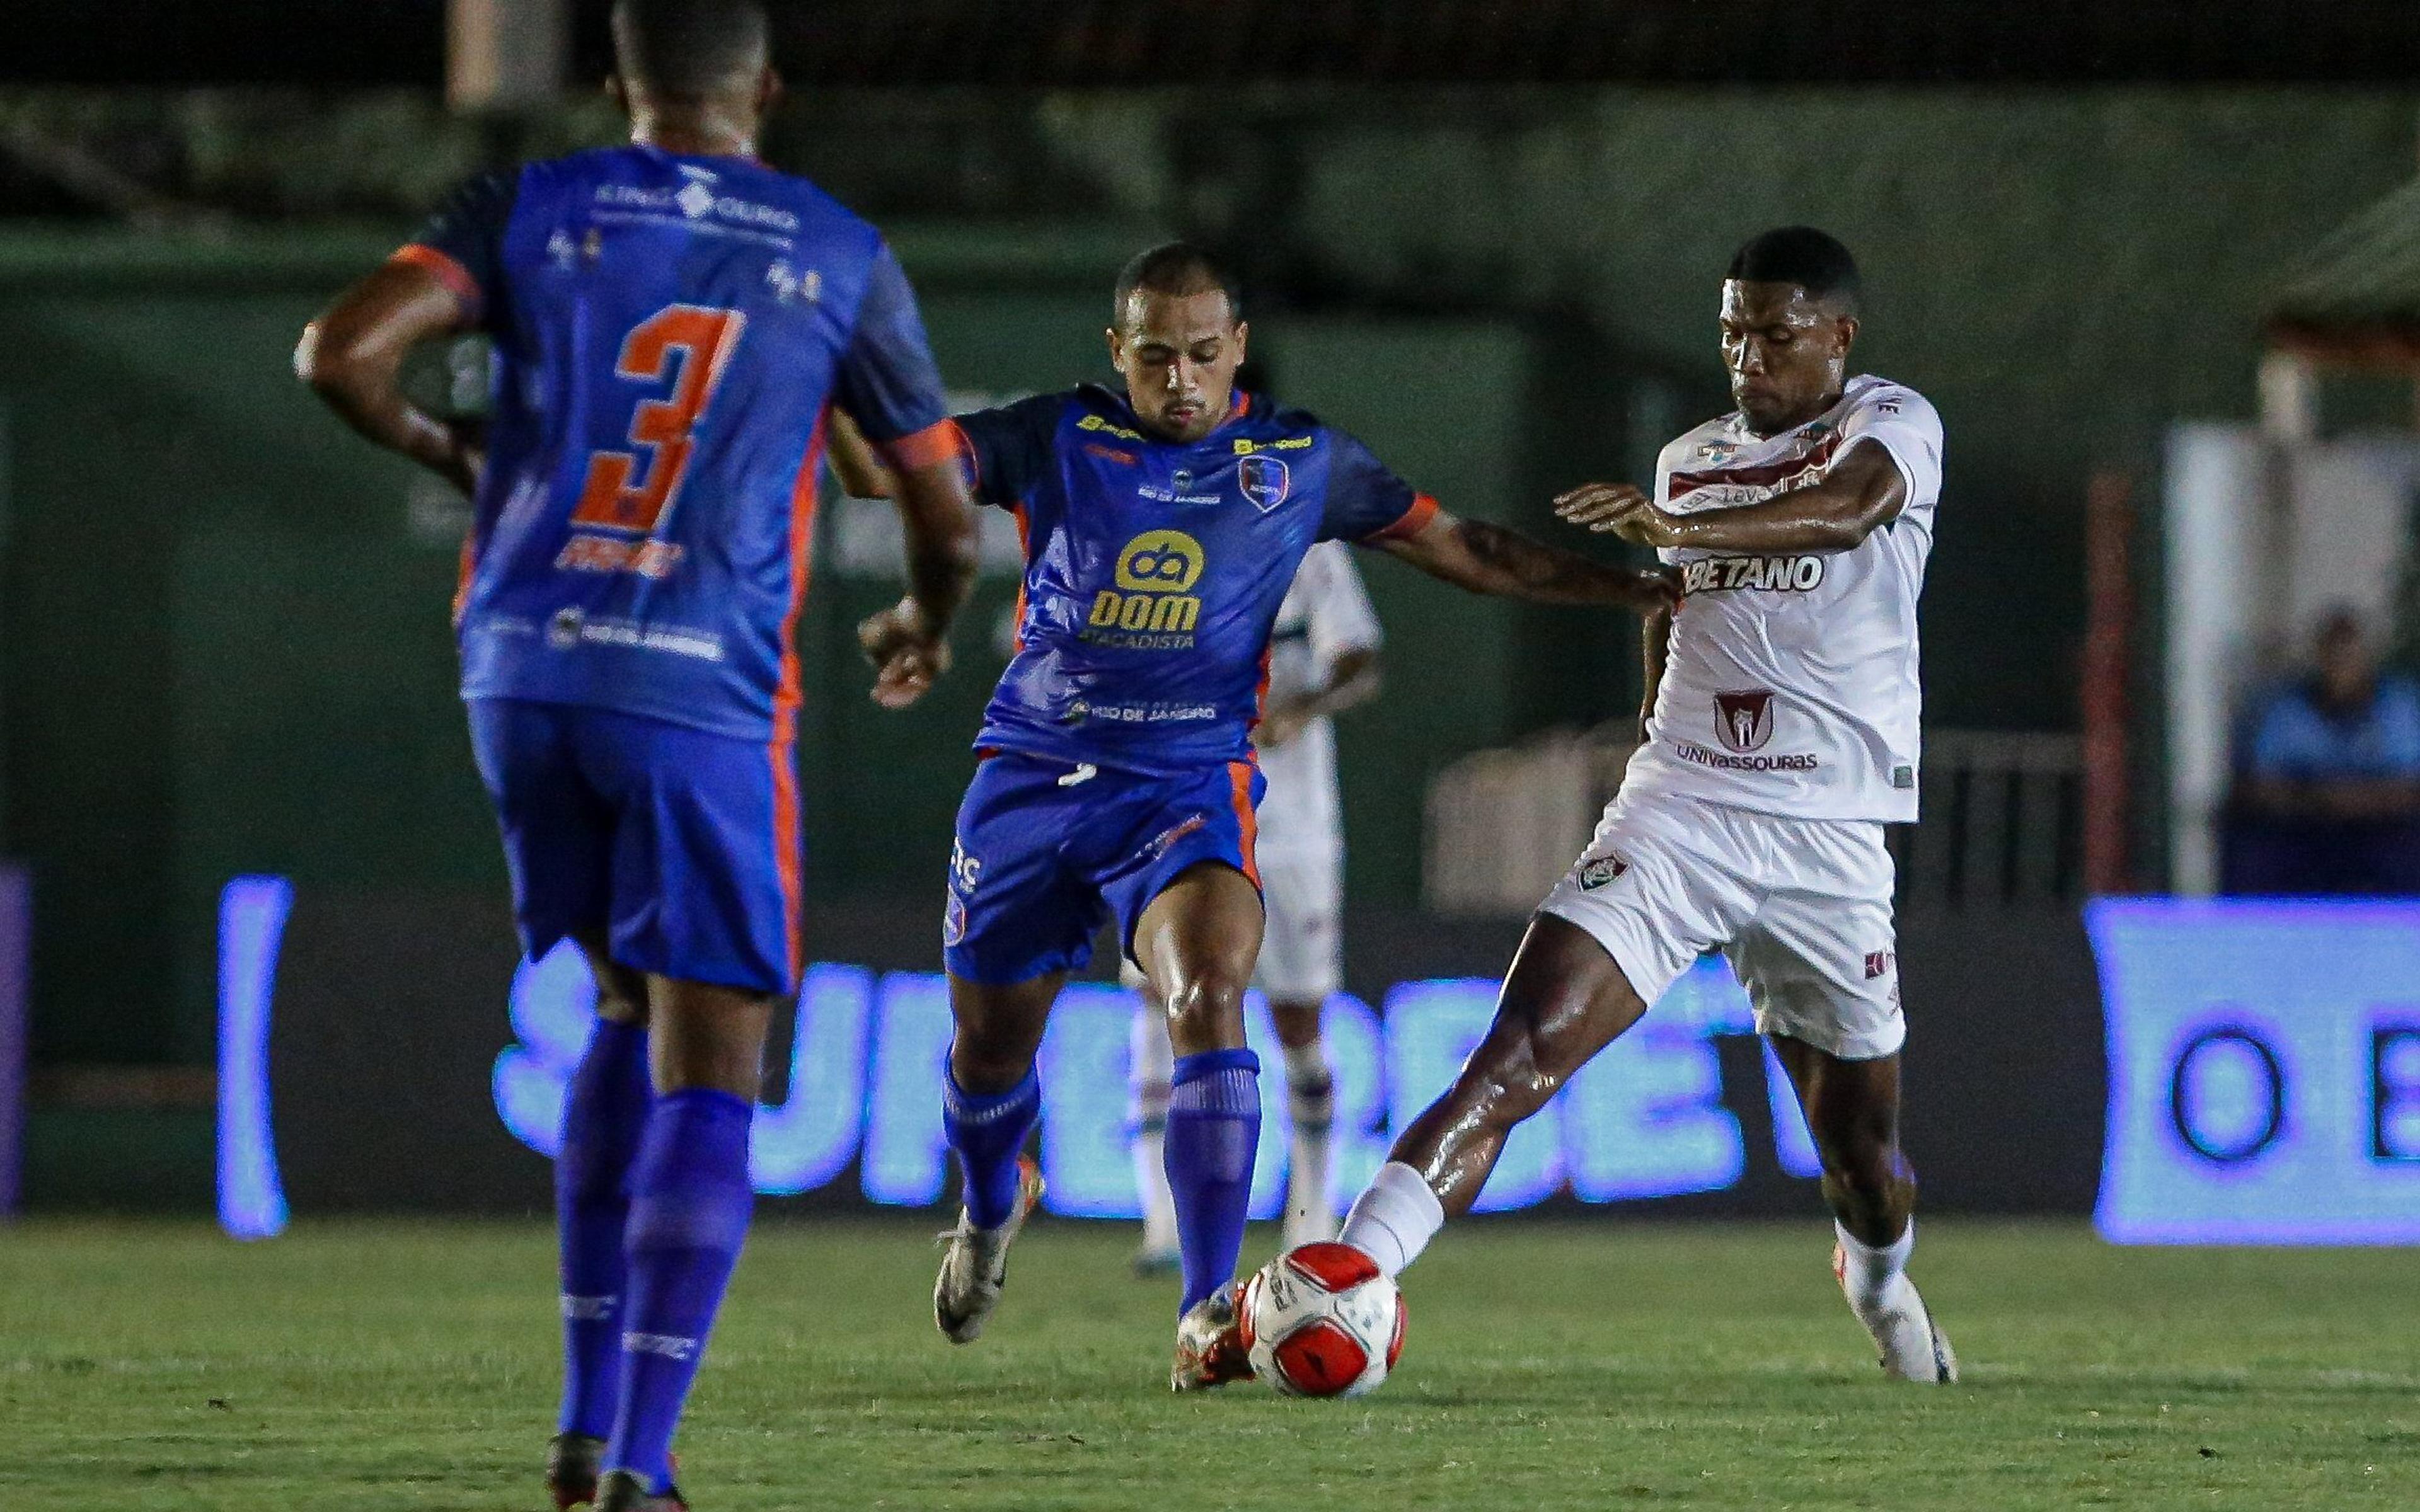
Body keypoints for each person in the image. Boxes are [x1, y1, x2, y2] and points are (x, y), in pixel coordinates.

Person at [294, 3, 980, 1506]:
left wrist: (452, 456)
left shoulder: (529, 207)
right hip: (699, 684)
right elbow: (937, 509)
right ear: (768, 90)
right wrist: (927, 617)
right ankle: (643, 1459)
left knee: (619, 1000)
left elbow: (338, 352)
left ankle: (580, 1421)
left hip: (521, 671)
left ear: (619, 86)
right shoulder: (832, 247)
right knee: (715, 1062)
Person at [834, 241, 1672, 1389]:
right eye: (1156, 357)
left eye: (1203, 354)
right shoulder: (1056, 437)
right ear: (1117, 353)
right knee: (988, 1058)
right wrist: (831, 377)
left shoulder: (1299, 461)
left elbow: (1461, 546)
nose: (1182, 379)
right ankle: (992, 1203)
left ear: (1237, 348)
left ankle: (1204, 1314)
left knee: (1211, 990)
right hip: (1031, 781)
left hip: (1186, 791)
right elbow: (887, 474)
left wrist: (1628, 586)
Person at [1326, 226, 1959, 1385]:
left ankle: (1874, 1280)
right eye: (1732, 334)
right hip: (1682, 809)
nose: (1750, 358)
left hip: (1831, 837)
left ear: (1840, 336)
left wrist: (1681, 530)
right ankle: (1349, 1277)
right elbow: (1671, 615)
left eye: (1777, 334)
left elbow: (1847, 513)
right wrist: (1657, 731)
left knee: (1864, 1163)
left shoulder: (1891, 424)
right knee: (1516, 1053)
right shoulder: (1687, 458)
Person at [1127, 539, 1383, 1274]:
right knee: (1158, 1001)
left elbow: (1360, 660)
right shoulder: (1154, 534)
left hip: (1291, 824)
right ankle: (1161, 1226)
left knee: (1297, 1020)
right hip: (1175, 810)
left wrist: (1305, 705)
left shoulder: (1307, 541)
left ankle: (1310, 1213)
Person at [2227, 609, 2420, 895]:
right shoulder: (2288, 710)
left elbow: (2410, 785)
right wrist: (2319, 800)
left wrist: (2356, 801)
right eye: (2333, 656)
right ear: (2319, 657)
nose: (2341, 666)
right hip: (2306, 825)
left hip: (2381, 828)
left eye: (2350, 657)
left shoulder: (2398, 707)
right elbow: (2262, 784)